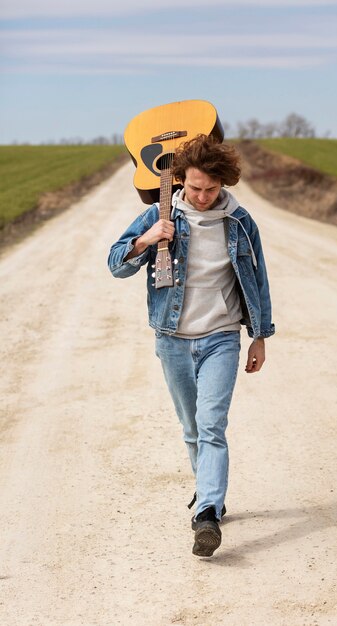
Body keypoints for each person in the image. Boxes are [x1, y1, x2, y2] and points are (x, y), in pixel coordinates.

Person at [108, 134, 274, 557]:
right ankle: (209, 492)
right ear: (181, 178)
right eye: (195, 187)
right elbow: (116, 265)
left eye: (211, 189)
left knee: (212, 425)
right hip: (173, 340)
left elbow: (258, 280)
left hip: (221, 337)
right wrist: (146, 239)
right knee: (192, 428)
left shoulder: (239, 221)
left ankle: (206, 515)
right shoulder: (159, 213)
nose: (202, 197)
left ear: (224, 184)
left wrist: (259, 336)